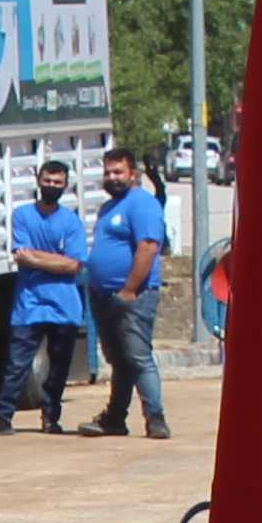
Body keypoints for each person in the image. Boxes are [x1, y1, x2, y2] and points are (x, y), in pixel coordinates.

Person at [0, 159, 88, 433]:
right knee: (16, 363)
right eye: (47, 181)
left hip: (64, 306)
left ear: (66, 185)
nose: (51, 186)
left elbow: (75, 265)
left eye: (58, 182)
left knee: (59, 367)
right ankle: (2, 418)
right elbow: (22, 254)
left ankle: (52, 418)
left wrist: (36, 259)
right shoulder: (22, 215)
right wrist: (58, 260)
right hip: (29, 304)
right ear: (38, 180)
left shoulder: (71, 221)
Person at [85, 144, 172, 439]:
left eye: (118, 171)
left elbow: (147, 248)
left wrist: (129, 290)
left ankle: (156, 418)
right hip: (103, 296)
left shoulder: (142, 204)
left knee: (137, 357)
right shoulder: (109, 208)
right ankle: (114, 418)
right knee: (118, 361)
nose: (112, 177)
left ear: (133, 174)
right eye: (108, 172)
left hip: (134, 296)